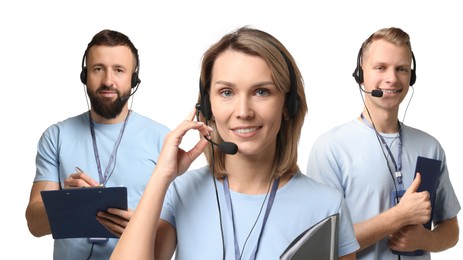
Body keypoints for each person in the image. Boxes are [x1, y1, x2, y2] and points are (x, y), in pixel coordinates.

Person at [110, 26, 359, 260]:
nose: (243, 111)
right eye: (227, 92)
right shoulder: (180, 192)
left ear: (288, 105)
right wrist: (161, 177)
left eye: (261, 91)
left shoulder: (328, 205)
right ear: (207, 106)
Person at [307, 27, 460, 259]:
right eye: (380, 67)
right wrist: (398, 216)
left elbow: (451, 229)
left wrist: (425, 239)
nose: (392, 78)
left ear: (412, 76)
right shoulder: (330, 149)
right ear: (361, 74)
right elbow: (323, 244)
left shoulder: (430, 147)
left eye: (402, 69)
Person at [25, 29, 170, 260]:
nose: (108, 81)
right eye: (98, 69)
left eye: (119, 70)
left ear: (134, 79)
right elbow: (34, 223)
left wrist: (140, 229)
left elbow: (177, 226)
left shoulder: (163, 140)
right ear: (85, 76)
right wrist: (66, 203)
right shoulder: (56, 136)